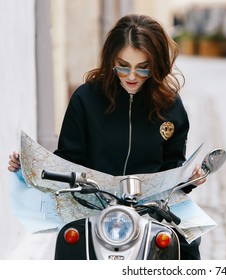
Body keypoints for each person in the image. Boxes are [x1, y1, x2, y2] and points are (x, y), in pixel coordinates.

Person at [8, 14, 205, 260]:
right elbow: (68, 158)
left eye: (143, 68)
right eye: (123, 66)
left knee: (187, 245)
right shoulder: (85, 99)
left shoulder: (170, 106)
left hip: (151, 209)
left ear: (156, 65)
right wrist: (27, 167)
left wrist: (190, 179)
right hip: (93, 207)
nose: (131, 76)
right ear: (111, 59)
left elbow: (173, 166)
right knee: (70, 247)